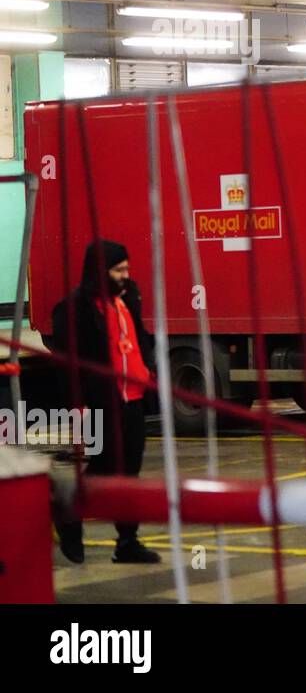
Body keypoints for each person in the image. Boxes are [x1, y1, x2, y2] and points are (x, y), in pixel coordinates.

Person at [48, 239, 160, 565]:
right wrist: (76, 404)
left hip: (133, 398)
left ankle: (127, 541)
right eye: (118, 269)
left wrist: (148, 369)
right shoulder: (75, 309)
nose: (126, 275)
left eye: (127, 268)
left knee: (130, 473)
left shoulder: (128, 298)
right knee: (104, 469)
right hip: (101, 400)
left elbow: (139, 337)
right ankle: (68, 516)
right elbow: (67, 362)